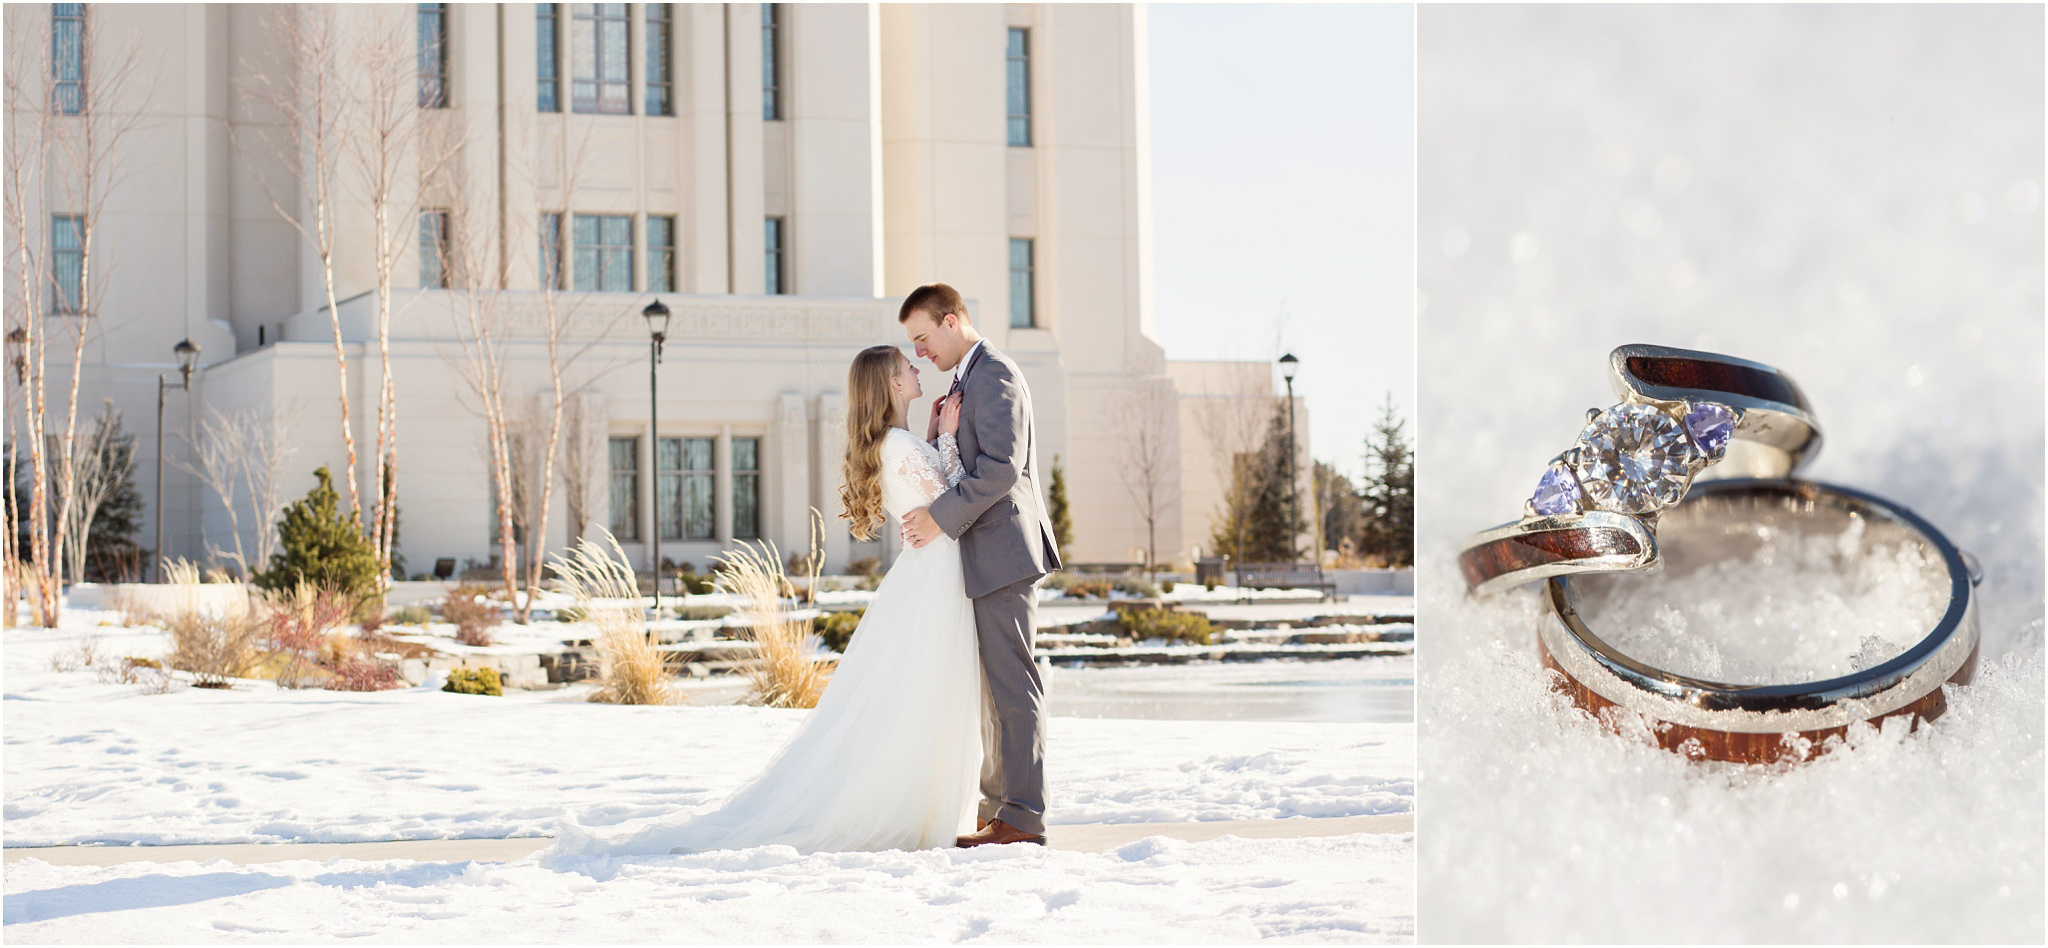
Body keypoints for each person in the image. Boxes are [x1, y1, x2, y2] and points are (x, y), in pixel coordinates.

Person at [544, 343, 984, 857]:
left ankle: (926, 803)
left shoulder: (899, 443)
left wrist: (935, 436)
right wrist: (950, 439)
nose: (916, 367)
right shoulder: (900, 447)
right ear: (891, 382)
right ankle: (917, 806)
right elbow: (956, 495)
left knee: (920, 692)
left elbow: (931, 495)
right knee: (927, 691)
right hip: (935, 577)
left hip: (930, 570)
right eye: (907, 366)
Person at [897, 282, 1063, 848]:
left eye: (923, 337)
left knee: (1013, 686)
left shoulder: (994, 374)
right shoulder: (966, 382)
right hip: (986, 555)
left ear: (952, 320)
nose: (920, 351)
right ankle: (1002, 812)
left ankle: (1021, 816)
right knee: (996, 689)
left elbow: (1000, 468)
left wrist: (939, 517)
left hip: (1005, 553)